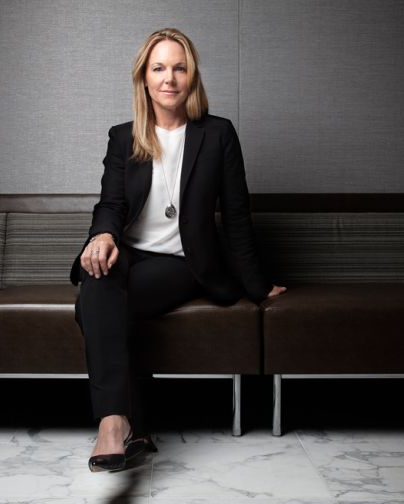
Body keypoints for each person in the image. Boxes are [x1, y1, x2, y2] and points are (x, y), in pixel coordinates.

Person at [70, 27, 286, 472]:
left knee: (95, 303)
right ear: (144, 79)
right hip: (129, 254)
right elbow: (111, 204)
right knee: (98, 281)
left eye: (179, 68)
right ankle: (121, 423)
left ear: (192, 77)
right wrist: (103, 236)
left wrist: (258, 286)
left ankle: (117, 424)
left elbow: (238, 216)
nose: (169, 78)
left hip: (183, 262)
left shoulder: (218, 134)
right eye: (159, 68)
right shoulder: (123, 137)